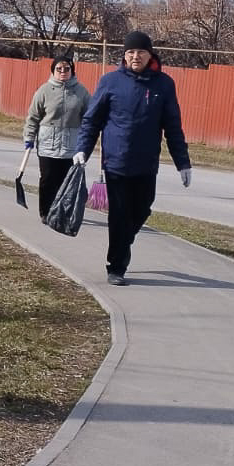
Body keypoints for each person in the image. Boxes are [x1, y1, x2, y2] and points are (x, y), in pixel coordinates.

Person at [74, 30, 192, 286]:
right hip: (116, 162)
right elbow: (92, 120)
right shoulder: (110, 82)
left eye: (140, 52)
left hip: (147, 163)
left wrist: (183, 162)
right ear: (124, 56)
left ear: (150, 55)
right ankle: (116, 266)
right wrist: (82, 148)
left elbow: (172, 126)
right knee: (118, 215)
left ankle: (123, 241)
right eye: (130, 52)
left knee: (142, 209)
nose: (135, 56)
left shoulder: (164, 84)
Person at [23, 54, 91, 223]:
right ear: (53, 71)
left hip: (71, 145)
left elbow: (90, 117)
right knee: (47, 179)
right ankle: (45, 212)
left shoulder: (81, 92)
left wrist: (90, 136)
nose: (63, 72)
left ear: (72, 70)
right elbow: (33, 116)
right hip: (48, 144)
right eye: (58, 69)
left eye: (66, 69)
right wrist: (29, 137)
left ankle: (62, 212)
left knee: (66, 182)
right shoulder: (44, 91)